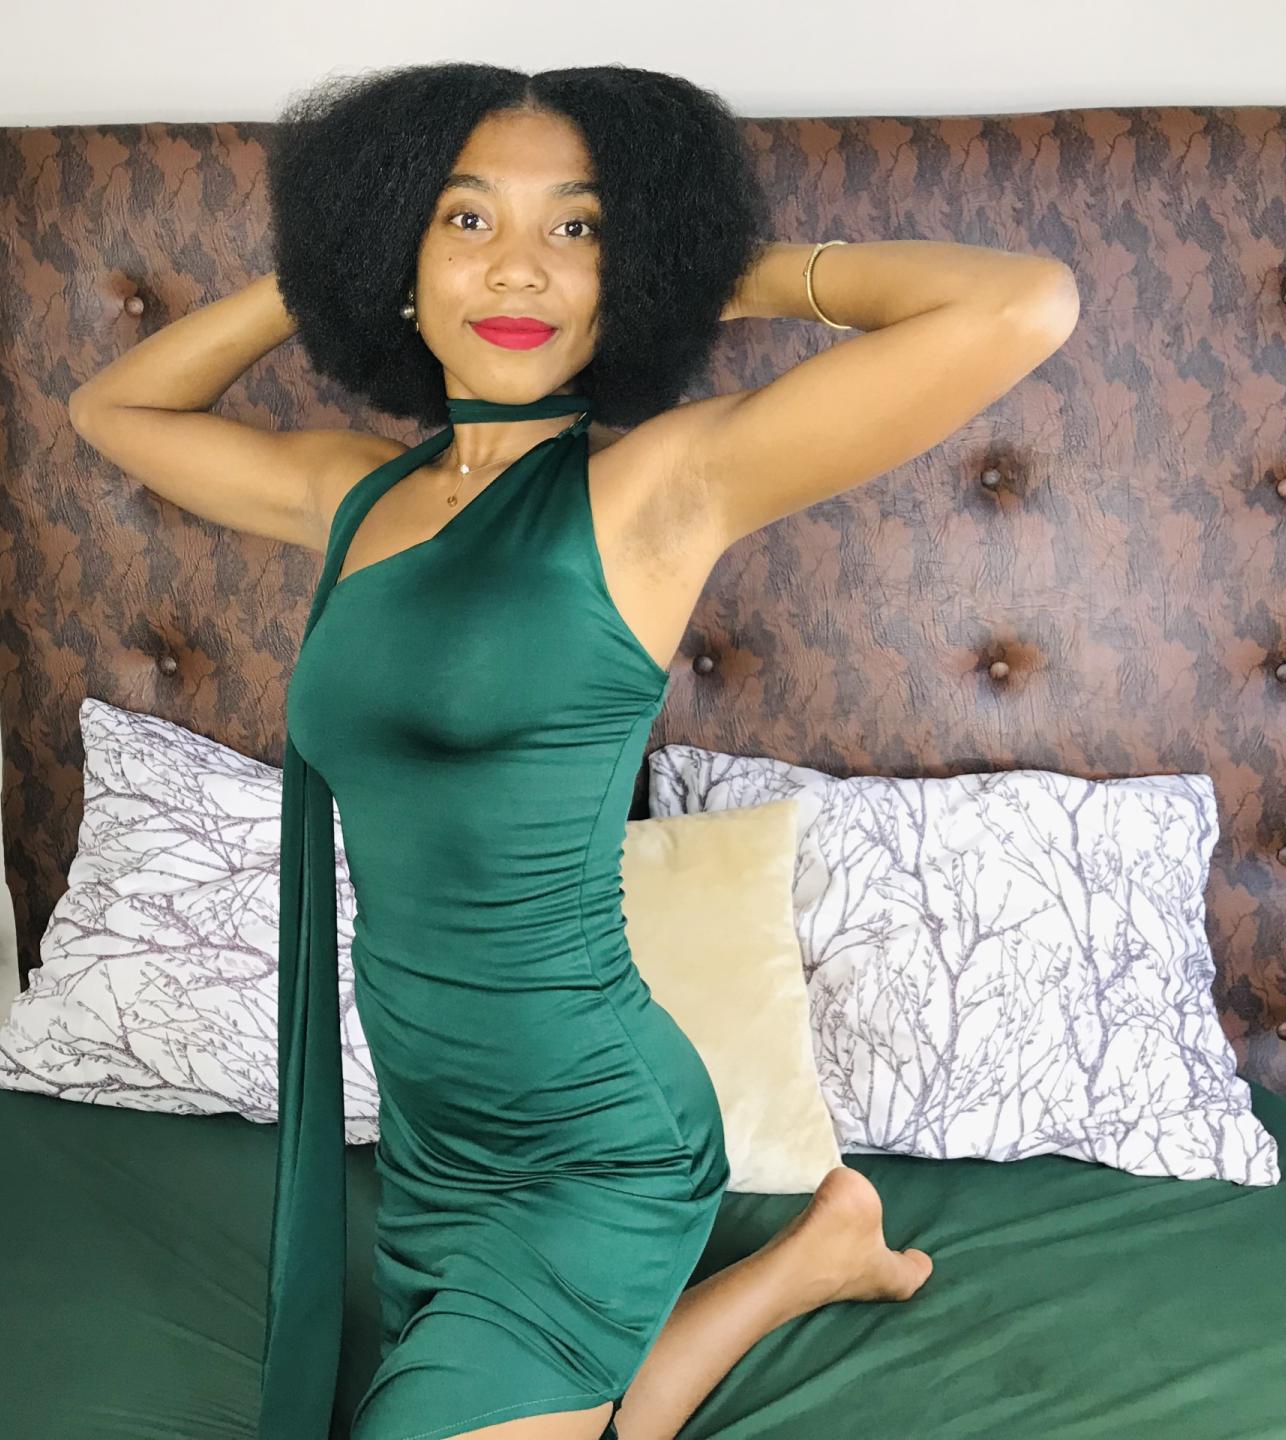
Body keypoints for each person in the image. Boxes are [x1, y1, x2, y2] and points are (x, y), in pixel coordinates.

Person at [69, 61, 1078, 1440]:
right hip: (435, 1146)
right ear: (400, 255)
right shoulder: (354, 496)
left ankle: (792, 1258)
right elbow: (115, 413)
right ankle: (813, 1261)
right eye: (466, 220)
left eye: (580, 228)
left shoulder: (658, 489)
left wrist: (719, 274)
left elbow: (1025, 304)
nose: (521, 269)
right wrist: (330, 265)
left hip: (597, 1134)